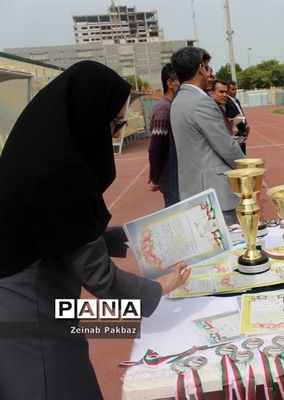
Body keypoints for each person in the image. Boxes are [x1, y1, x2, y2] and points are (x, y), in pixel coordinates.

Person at [0, 60, 190, 399]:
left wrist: (129, 236)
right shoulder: (57, 173)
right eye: (116, 123)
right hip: (31, 314)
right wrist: (161, 286)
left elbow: (62, 235)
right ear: (88, 114)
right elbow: (99, 277)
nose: (117, 134)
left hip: (33, 301)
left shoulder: (41, 148)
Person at [170, 47, 245, 225]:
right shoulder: (201, 102)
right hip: (216, 193)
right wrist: (247, 170)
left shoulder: (179, 100)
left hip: (195, 189)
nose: (209, 73)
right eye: (207, 68)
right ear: (200, 69)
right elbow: (225, 146)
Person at [148, 63, 180, 207]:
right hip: (169, 176)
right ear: (170, 83)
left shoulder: (173, 105)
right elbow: (156, 146)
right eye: (181, 80)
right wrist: (155, 177)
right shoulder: (163, 108)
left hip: (174, 174)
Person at [225, 80, 249, 154]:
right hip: (236, 131)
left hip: (242, 130)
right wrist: (245, 127)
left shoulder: (236, 100)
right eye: (232, 89)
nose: (235, 91)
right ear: (228, 90)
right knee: (238, 154)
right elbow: (234, 117)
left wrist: (246, 124)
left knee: (242, 152)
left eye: (235, 89)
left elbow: (241, 114)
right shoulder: (227, 101)